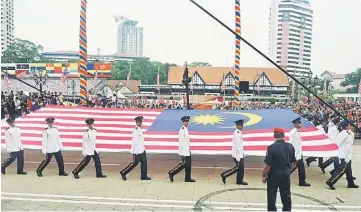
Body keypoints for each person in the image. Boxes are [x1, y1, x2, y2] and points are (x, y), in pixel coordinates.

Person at [262, 128, 295, 212]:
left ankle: (272, 210)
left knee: (272, 194)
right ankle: (287, 210)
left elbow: (268, 165)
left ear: (274, 136)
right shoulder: (290, 146)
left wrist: (264, 175)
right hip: (286, 173)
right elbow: (292, 162)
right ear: (283, 135)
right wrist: (288, 170)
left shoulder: (271, 148)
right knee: (286, 194)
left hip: (274, 174)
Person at [326, 121, 359, 190]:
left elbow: (337, 143)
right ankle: (330, 181)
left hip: (343, 154)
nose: (350, 126)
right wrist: (347, 157)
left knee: (348, 170)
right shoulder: (348, 134)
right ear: (346, 126)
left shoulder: (342, 133)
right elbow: (348, 147)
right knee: (341, 170)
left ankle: (350, 183)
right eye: (349, 125)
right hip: (345, 156)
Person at [120, 116, 151, 181]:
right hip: (137, 151)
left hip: (142, 150)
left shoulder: (139, 129)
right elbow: (135, 142)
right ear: (136, 122)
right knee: (134, 163)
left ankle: (144, 176)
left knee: (144, 163)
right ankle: (123, 172)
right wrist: (135, 151)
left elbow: (141, 141)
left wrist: (143, 149)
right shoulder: (136, 130)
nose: (140, 123)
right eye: (139, 122)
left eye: (141, 122)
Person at [168, 116, 195, 183]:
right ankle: (172, 172)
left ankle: (187, 178)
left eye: (187, 121)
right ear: (183, 122)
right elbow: (181, 141)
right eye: (185, 121)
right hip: (184, 151)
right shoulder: (182, 129)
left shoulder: (185, 129)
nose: (186, 123)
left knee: (188, 165)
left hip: (187, 150)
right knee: (185, 164)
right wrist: (183, 152)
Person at [220, 119, 248, 185]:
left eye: (242, 125)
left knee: (239, 168)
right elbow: (238, 145)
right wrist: (238, 157)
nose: (242, 126)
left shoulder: (239, 132)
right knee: (238, 168)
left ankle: (239, 180)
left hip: (239, 153)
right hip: (237, 154)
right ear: (237, 126)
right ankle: (224, 175)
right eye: (241, 125)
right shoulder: (237, 133)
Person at [289, 117, 311, 186]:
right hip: (295, 154)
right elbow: (291, 144)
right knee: (291, 168)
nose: (301, 124)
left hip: (299, 154)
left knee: (301, 168)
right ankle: (281, 178)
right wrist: (293, 154)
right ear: (295, 124)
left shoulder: (298, 131)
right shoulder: (293, 132)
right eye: (299, 123)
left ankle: (302, 181)